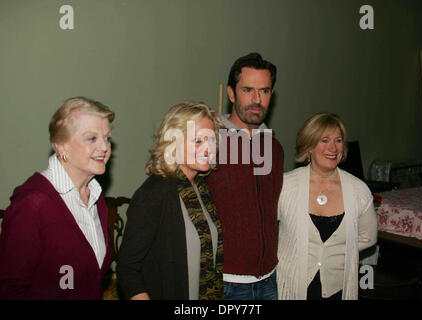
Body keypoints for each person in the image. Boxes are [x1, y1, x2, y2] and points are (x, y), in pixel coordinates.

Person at [0, 97, 115, 299]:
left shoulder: (96, 198)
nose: (104, 147)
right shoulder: (33, 203)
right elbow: (10, 290)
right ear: (61, 147)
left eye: (107, 138)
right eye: (92, 138)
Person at [116, 101, 224, 300]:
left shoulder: (201, 188)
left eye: (212, 140)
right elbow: (127, 269)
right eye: (198, 141)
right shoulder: (153, 193)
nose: (208, 148)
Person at [206, 52, 284, 300]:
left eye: (265, 91)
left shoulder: (274, 148)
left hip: (270, 280)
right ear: (231, 93)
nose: (256, 99)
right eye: (248, 89)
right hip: (226, 283)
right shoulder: (210, 145)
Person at [277, 112, 377, 300]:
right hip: (292, 287)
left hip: (338, 289)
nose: (333, 148)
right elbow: (264, 230)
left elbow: (368, 237)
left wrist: (337, 252)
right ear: (309, 146)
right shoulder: (285, 186)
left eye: (338, 141)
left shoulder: (358, 190)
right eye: (324, 140)